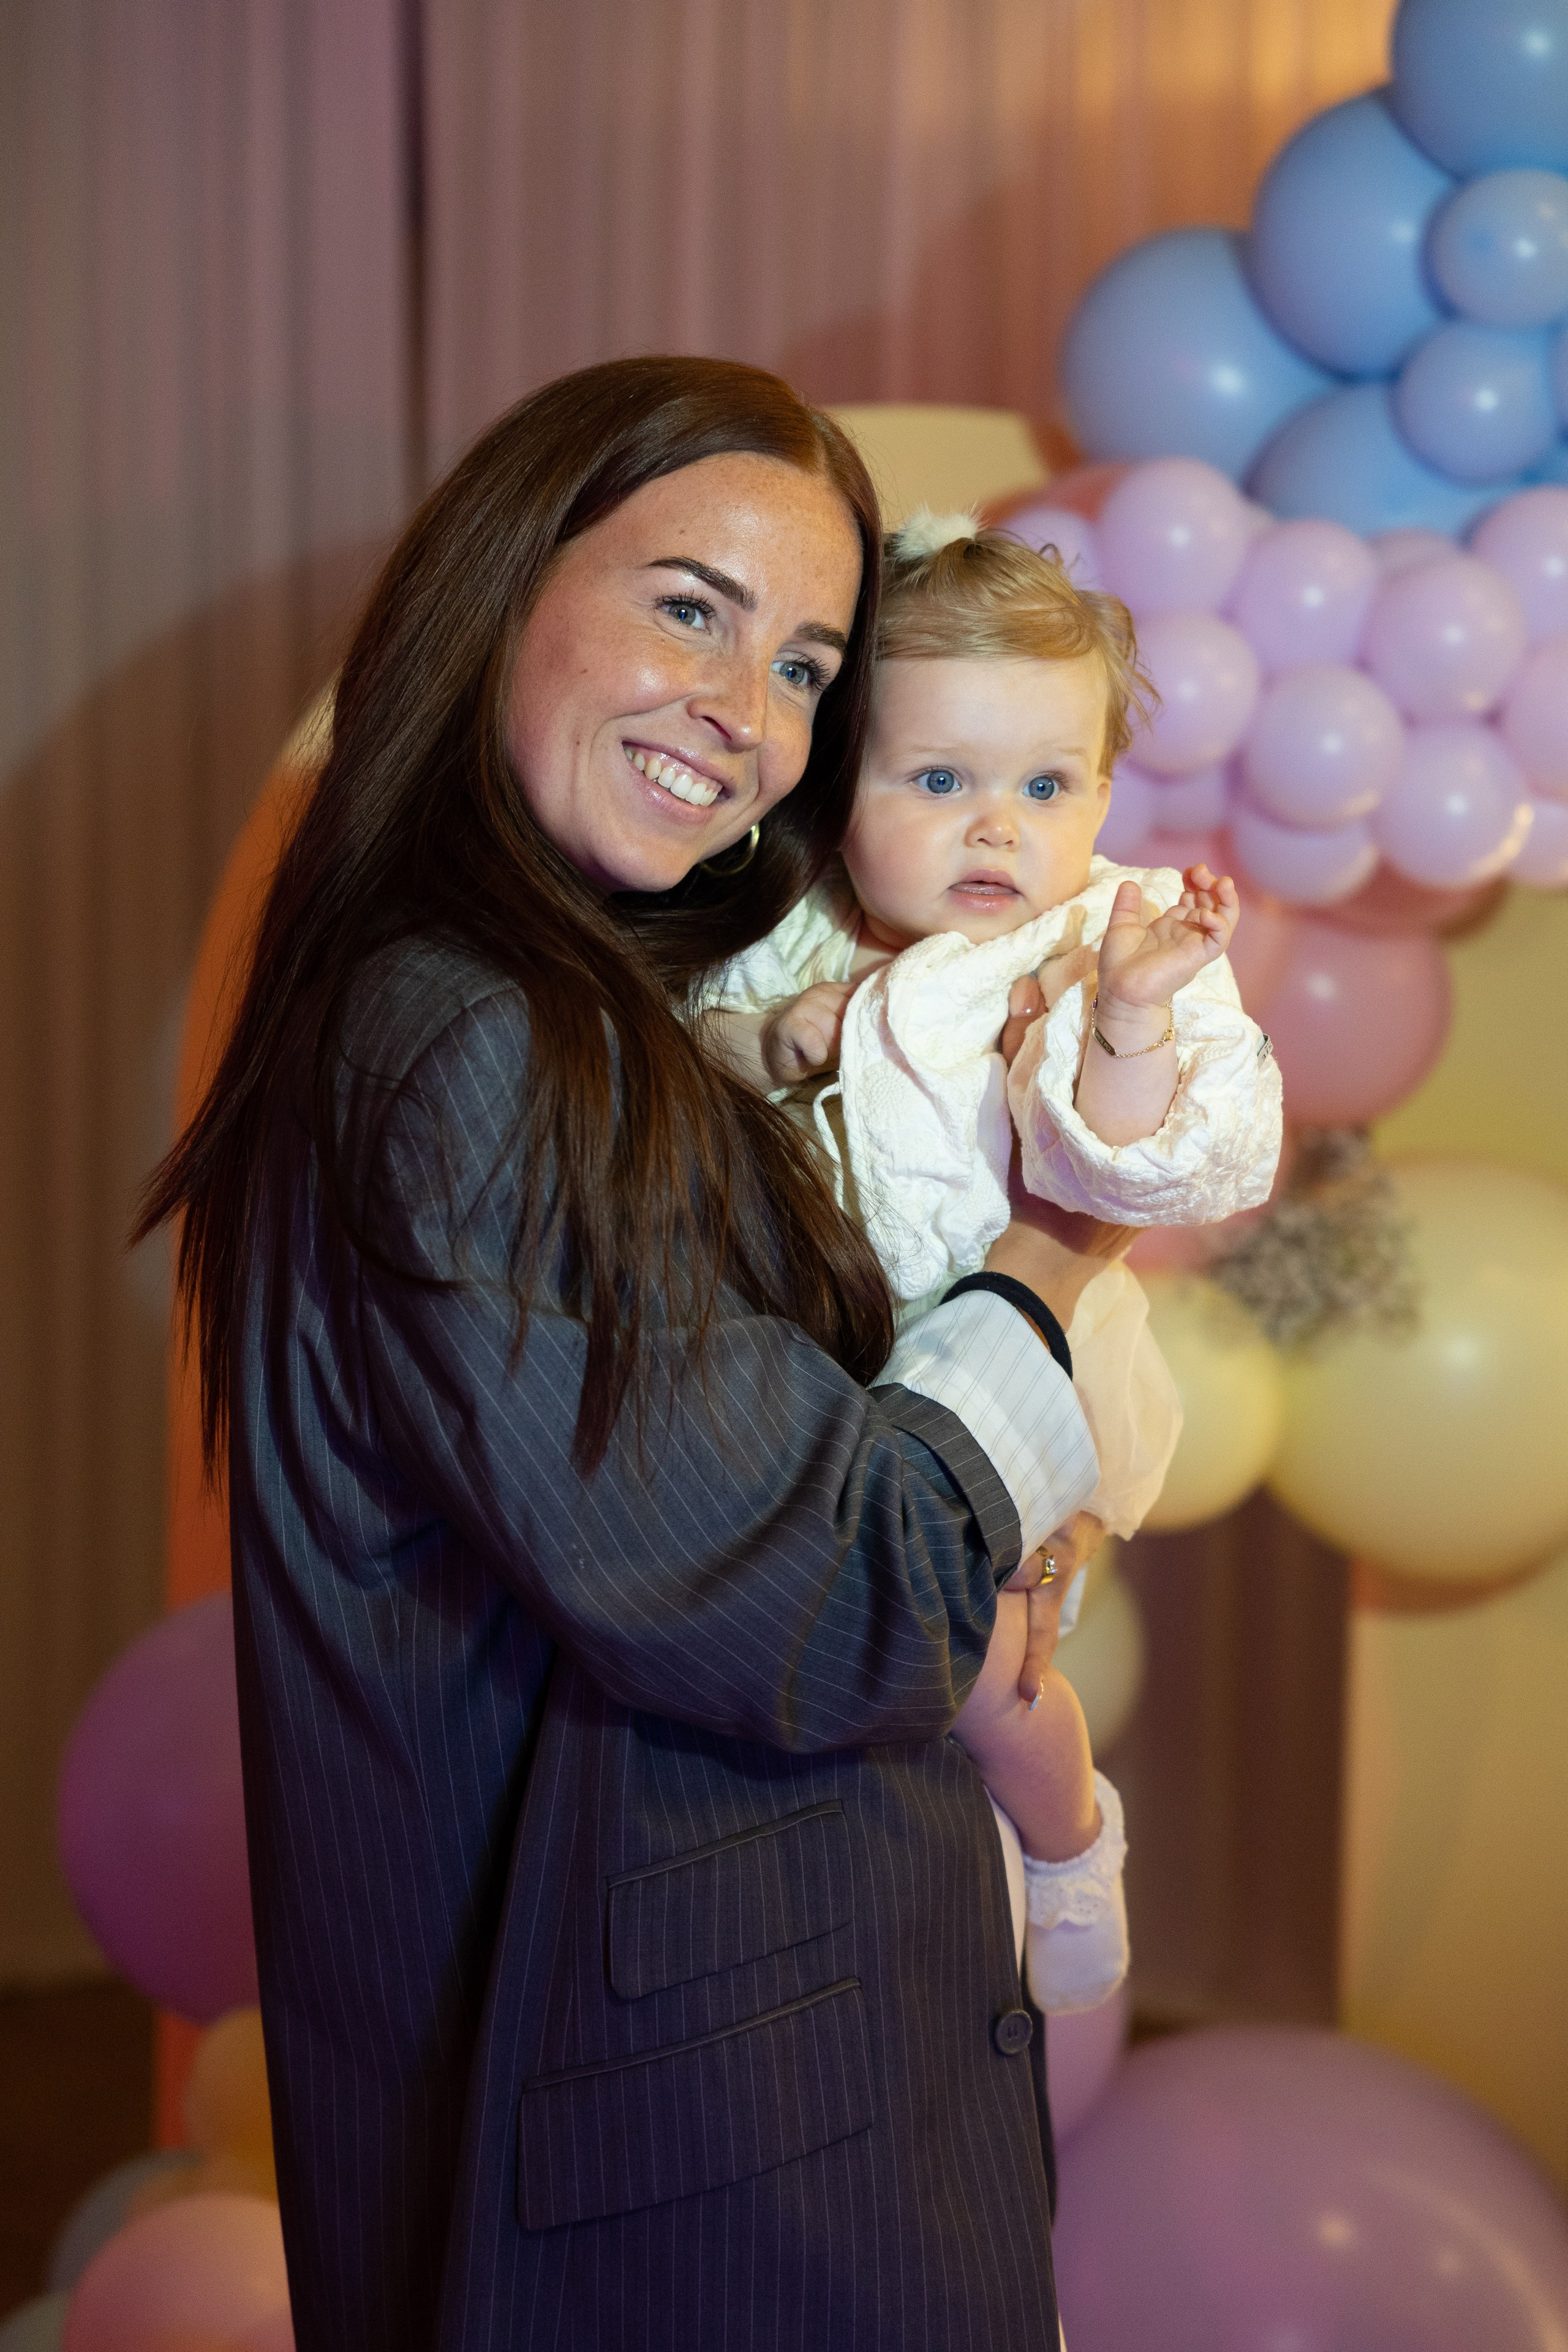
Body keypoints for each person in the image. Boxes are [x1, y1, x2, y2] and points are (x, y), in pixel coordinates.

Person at [137, 356, 1139, 2352]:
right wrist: (1065, 1234)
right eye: (692, 607)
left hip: (750, 2101)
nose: (745, 710)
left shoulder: (606, 1005)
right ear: (504, 584)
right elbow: (841, 1600)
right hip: (694, 2168)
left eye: (805, 667)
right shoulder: (474, 1038)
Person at [704, 513, 1284, 1989]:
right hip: (820, 1397)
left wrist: (1127, 1023)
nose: (994, 829)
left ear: (1101, 794)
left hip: (1025, 1386)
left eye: (1042, 785)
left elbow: (1136, 1168)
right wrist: (762, 1042)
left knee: (986, 1677)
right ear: (840, 782)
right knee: (841, 1685)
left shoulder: (1104, 943)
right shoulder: (794, 931)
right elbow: (673, 1053)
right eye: (938, 780)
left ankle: (1069, 1840)